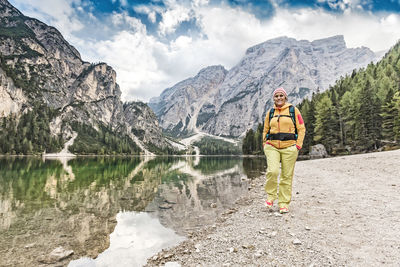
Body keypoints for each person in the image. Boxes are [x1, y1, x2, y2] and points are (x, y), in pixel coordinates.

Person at [262, 87, 306, 214]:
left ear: (285, 97)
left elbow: (301, 128)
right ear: (273, 98)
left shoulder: (293, 110)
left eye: (281, 95)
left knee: (286, 176)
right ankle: (270, 197)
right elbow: (265, 130)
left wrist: (298, 145)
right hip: (272, 146)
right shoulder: (270, 112)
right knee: (273, 171)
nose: (279, 98)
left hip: (290, 148)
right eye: (276, 96)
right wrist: (265, 143)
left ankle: (283, 203)